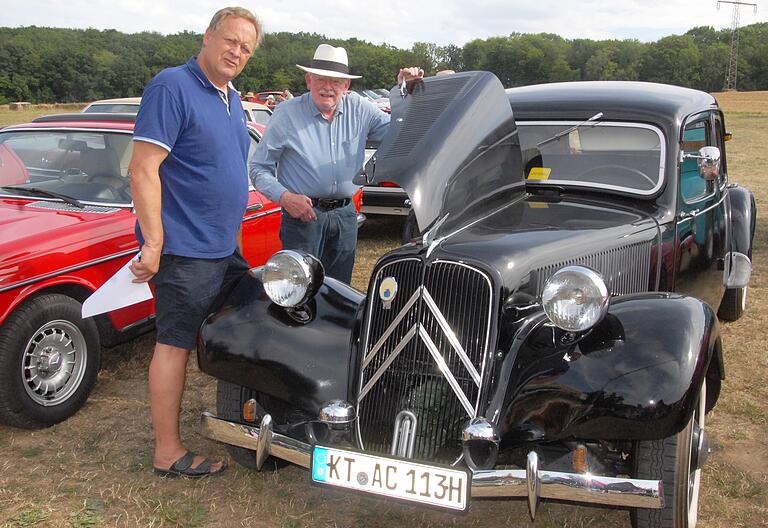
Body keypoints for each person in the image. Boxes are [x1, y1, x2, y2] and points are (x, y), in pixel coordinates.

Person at [128, 6, 262, 479]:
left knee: (241, 324)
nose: (236, 52)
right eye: (230, 41)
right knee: (175, 343)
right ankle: (167, 452)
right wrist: (154, 242)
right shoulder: (172, 86)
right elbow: (143, 168)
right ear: (207, 36)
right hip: (184, 249)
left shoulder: (232, 97)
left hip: (223, 247)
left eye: (246, 48)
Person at [249, 43, 423, 282]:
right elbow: (258, 168)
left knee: (340, 293)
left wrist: (407, 94)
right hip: (303, 219)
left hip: (345, 217)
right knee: (300, 293)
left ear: (346, 85)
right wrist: (285, 198)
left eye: (336, 81)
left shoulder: (360, 109)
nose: (328, 87)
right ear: (309, 80)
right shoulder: (286, 114)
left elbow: (402, 131)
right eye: (321, 79)